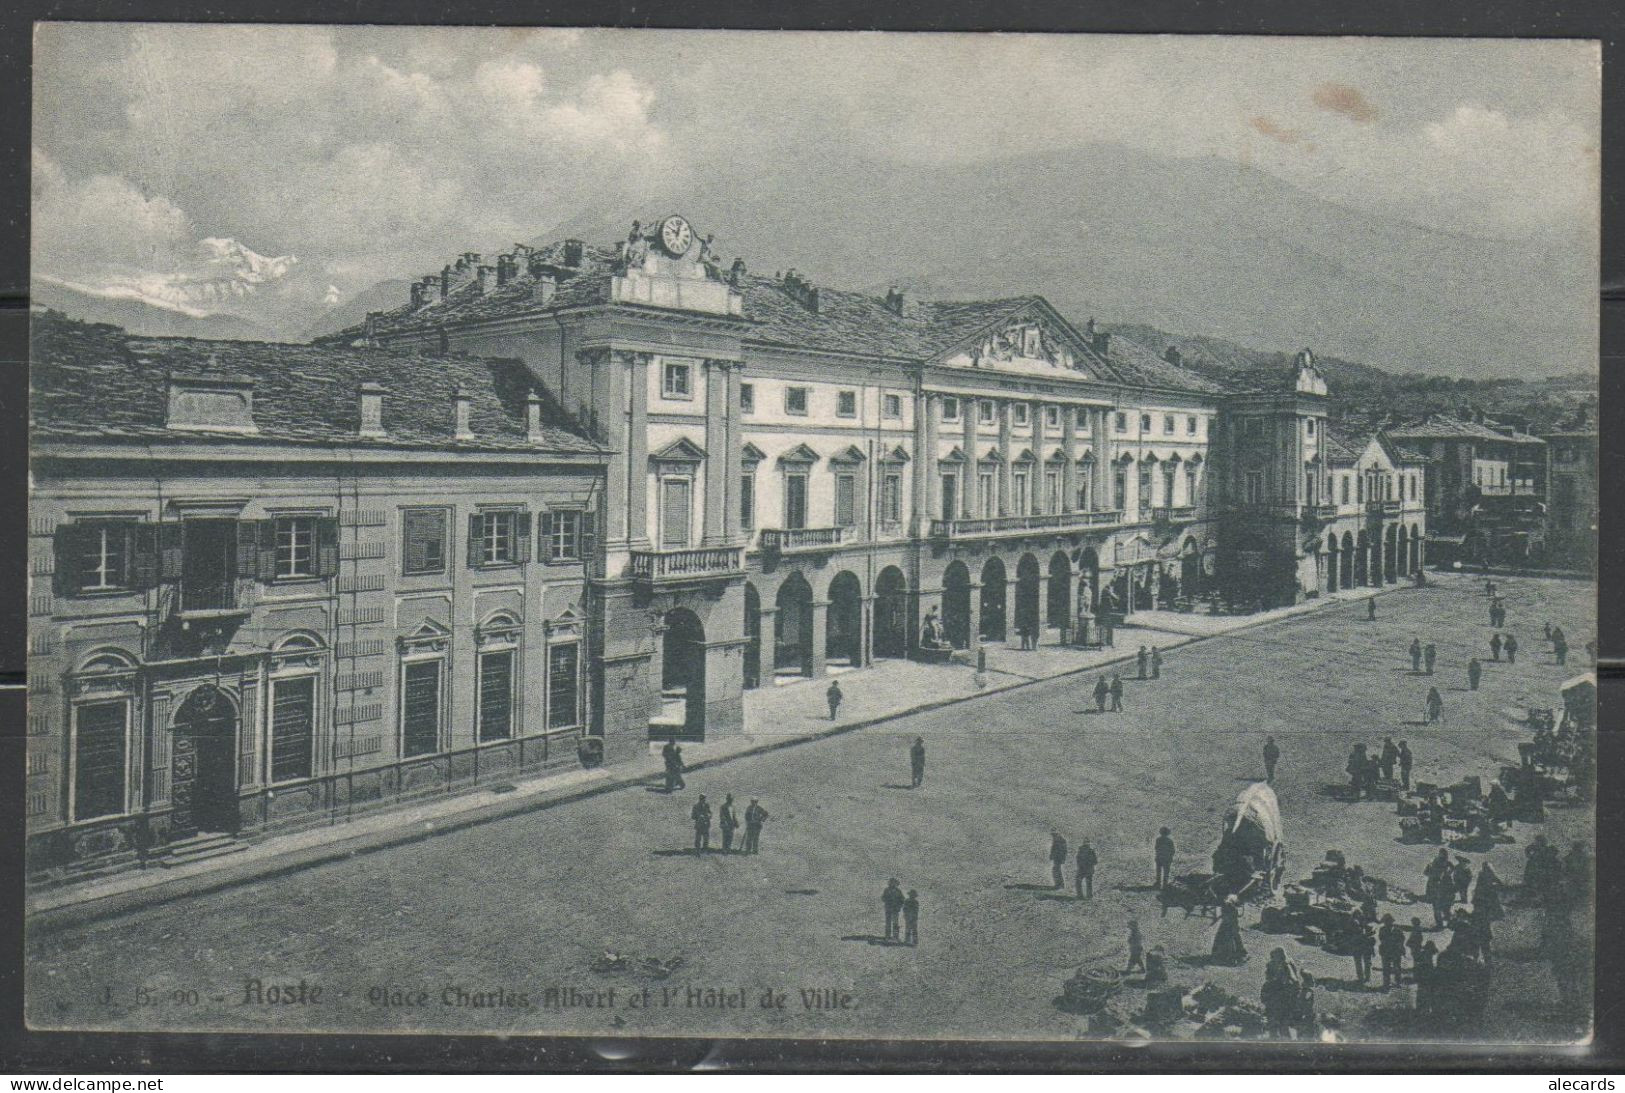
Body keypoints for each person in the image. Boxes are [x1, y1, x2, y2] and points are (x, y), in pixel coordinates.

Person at [1262, 947, 1301, 1038]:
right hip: (1275, 998)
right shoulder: (1271, 966)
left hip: (1283, 999)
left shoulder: (1286, 965)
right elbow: (1268, 979)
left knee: (1283, 1025)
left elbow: (1294, 981)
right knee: (1273, 1024)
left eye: (1276, 957)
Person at [1211, 895, 1248, 965]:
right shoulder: (1230, 907)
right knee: (1234, 939)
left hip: (1229, 925)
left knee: (1230, 939)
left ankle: (1229, 958)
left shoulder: (1228, 907)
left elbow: (1228, 916)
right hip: (1230, 925)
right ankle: (1234, 957)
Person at [1425, 848, 1454, 928]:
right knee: (1443, 908)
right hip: (1437, 888)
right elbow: (1426, 872)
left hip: (1439, 889)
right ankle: (1447, 922)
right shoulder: (1439, 863)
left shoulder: (1444, 864)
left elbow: (1426, 873)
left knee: (1438, 908)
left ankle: (1441, 924)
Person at [1378, 914, 1406, 989]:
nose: (1387, 923)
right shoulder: (1382, 929)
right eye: (1385, 921)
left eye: (1388, 921)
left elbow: (1402, 938)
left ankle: (1398, 982)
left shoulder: (1397, 929)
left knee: (1397, 967)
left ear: (1392, 921)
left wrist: (1399, 945)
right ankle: (1386, 983)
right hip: (1386, 951)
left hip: (1395, 951)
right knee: (1386, 968)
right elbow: (1381, 939)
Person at [1351, 920, 1375, 985]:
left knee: (1365, 963)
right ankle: (1361, 978)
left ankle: (1366, 977)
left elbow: (1371, 940)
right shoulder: (1354, 932)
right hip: (1357, 949)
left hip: (1364, 949)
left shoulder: (1364, 929)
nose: (1356, 927)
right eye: (1355, 926)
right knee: (1359, 964)